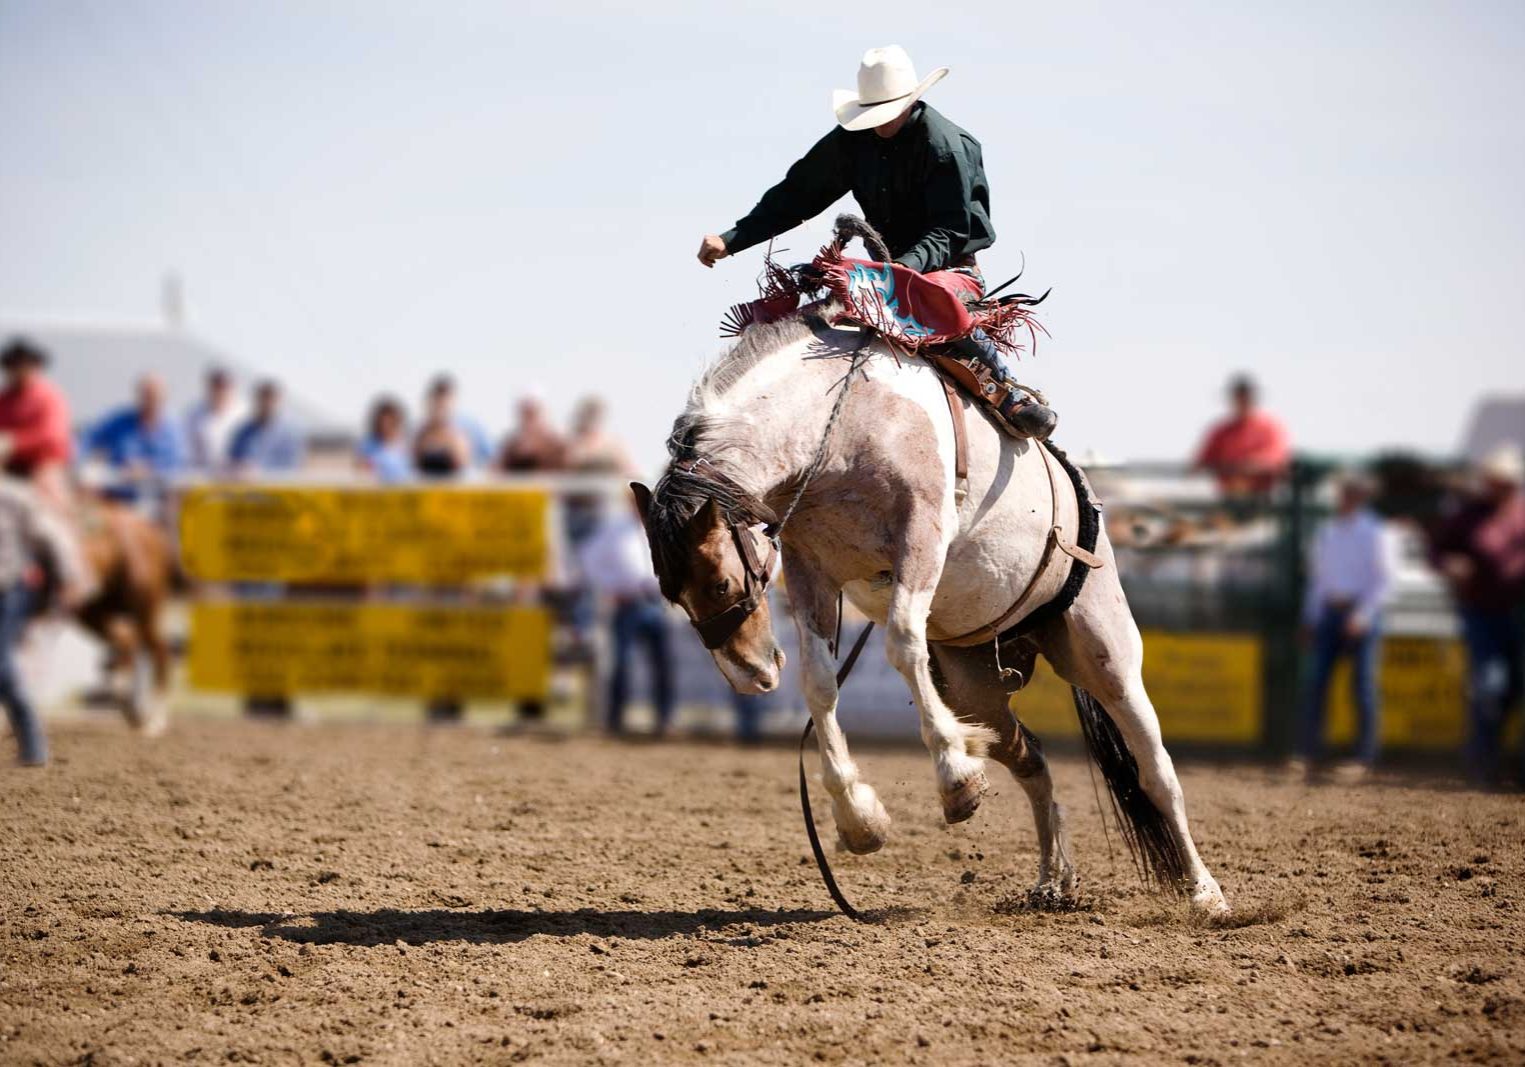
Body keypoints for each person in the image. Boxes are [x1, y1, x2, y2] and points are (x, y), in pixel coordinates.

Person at [697, 46, 1056, 439]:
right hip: (879, 279)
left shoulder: (947, 147)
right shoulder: (852, 140)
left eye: (886, 114)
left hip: (948, 273)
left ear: (911, 101)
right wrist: (731, 240)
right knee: (793, 320)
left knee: (935, 303)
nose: (879, 125)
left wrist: (900, 271)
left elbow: (951, 231)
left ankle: (1006, 391)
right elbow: (797, 195)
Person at [1428, 443, 1525, 786]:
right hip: (1482, 612)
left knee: (1510, 689)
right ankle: (1483, 765)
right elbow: (1436, 550)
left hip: (1516, 612)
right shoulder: (1469, 515)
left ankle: (1502, 764)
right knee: (1489, 687)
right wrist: (1449, 565)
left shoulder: (1519, 513)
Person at [1292, 472, 1396, 778]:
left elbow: (1385, 580)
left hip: (1360, 615)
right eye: (1344, 491)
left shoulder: (1377, 531)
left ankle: (1364, 757)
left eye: (1351, 492)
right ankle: (1310, 753)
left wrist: (1363, 614)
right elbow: (1319, 581)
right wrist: (1311, 618)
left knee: (1362, 687)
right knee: (1316, 684)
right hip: (1331, 613)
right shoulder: (1329, 531)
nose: (1346, 497)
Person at [0, 477, 92, 766]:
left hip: (9, 589)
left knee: (0, 662)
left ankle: (32, 743)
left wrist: (68, 577)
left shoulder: (13, 496)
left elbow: (51, 537)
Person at [577, 494, 674, 735]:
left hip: (656, 601)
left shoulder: (662, 527)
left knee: (661, 663)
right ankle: (616, 718)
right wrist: (612, 586)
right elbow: (589, 560)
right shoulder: (614, 529)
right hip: (628, 602)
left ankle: (663, 718)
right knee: (623, 662)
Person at [79, 374, 187, 497]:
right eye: (147, 396)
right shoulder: (119, 421)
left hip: (154, 499)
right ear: (139, 396)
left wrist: (148, 470)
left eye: (155, 398)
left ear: (164, 399)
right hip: (114, 493)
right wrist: (83, 468)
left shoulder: (173, 431)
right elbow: (88, 438)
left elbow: (177, 468)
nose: (151, 402)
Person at [0, 338, 75, 510]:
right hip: (9, 466)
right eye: (12, 365)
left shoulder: (50, 397)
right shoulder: (3, 400)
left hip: (42, 464)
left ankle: (58, 534)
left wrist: (13, 442)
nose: (16, 371)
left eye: (21, 365)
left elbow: (52, 435)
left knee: (49, 502)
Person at [1194, 374, 1292, 496]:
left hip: (1260, 497)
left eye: (1246, 397)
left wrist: (1248, 466)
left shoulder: (1270, 428)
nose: (1242, 401)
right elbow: (1201, 461)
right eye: (1238, 397)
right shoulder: (1221, 430)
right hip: (1228, 496)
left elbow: (1276, 458)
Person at [228, 380, 304, 473]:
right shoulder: (243, 432)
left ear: (277, 401)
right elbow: (233, 461)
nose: (266, 404)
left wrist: (259, 471)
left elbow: (292, 468)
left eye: (270, 399)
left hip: (278, 486)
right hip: (247, 486)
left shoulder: (290, 435)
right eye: (263, 398)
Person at [183, 366, 245, 474]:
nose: (220, 390)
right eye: (217, 385)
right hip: (204, 478)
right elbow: (187, 450)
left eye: (224, 386)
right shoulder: (194, 414)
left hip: (237, 478)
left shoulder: (244, 414)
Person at [413, 380, 473, 479]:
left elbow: (462, 466)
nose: (439, 409)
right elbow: (415, 465)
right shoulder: (421, 435)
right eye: (437, 403)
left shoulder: (458, 436)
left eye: (443, 405)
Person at [497, 395, 566, 473]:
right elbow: (495, 474)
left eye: (532, 414)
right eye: (525, 414)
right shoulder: (510, 447)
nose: (529, 421)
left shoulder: (558, 446)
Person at [356, 396, 412, 483]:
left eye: (389, 420)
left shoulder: (406, 444)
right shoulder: (367, 444)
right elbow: (360, 471)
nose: (385, 424)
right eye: (382, 421)